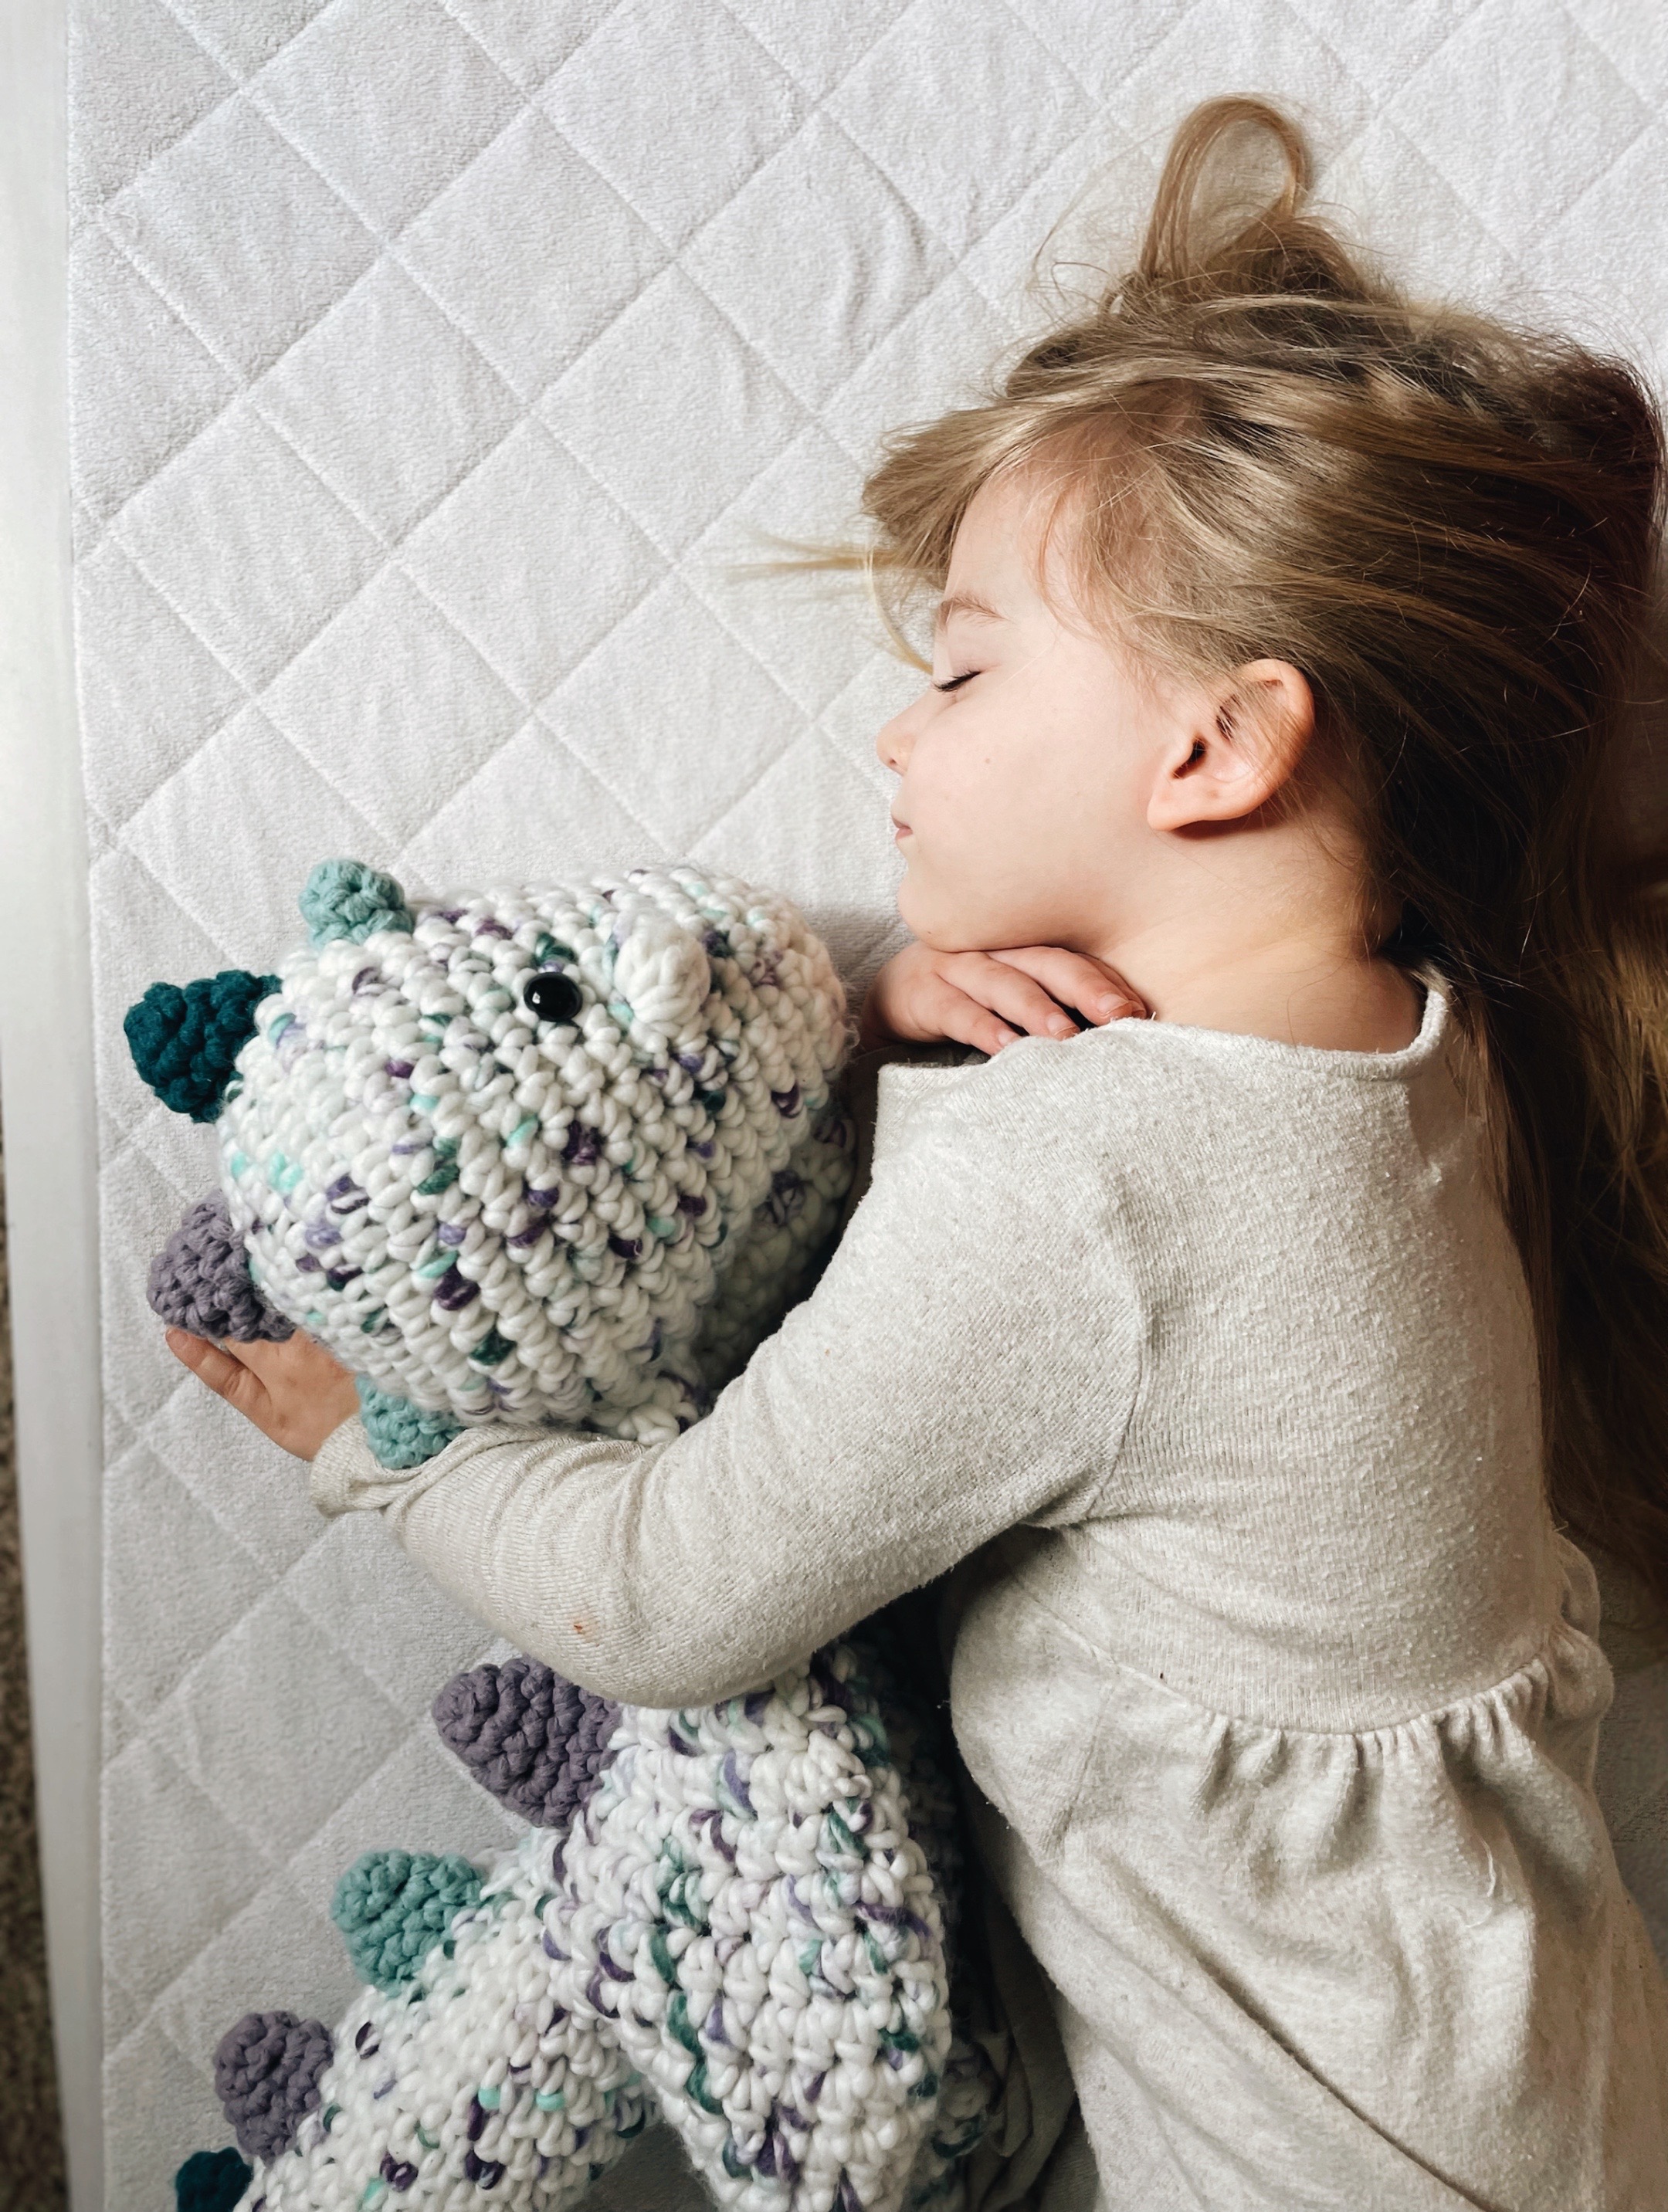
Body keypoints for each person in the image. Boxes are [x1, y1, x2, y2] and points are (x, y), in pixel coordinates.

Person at [164, 95, 1668, 2208]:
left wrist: (388, 1444)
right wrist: (881, 1021)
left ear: (1217, 744)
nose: (896, 729)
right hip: (1558, 2085)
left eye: (960, 664)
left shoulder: (1076, 1185)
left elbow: (672, 1593)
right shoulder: (1426, 1049)